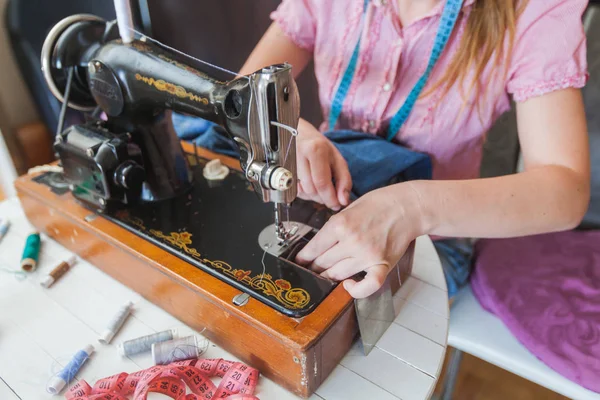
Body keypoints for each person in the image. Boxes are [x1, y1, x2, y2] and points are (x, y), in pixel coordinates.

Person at [235, 0, 591, 299]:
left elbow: (566, 192)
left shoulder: (531, 10)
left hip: (431, 241)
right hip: (325, 201)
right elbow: (242, 94)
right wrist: (292, 131)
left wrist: (412, 208)